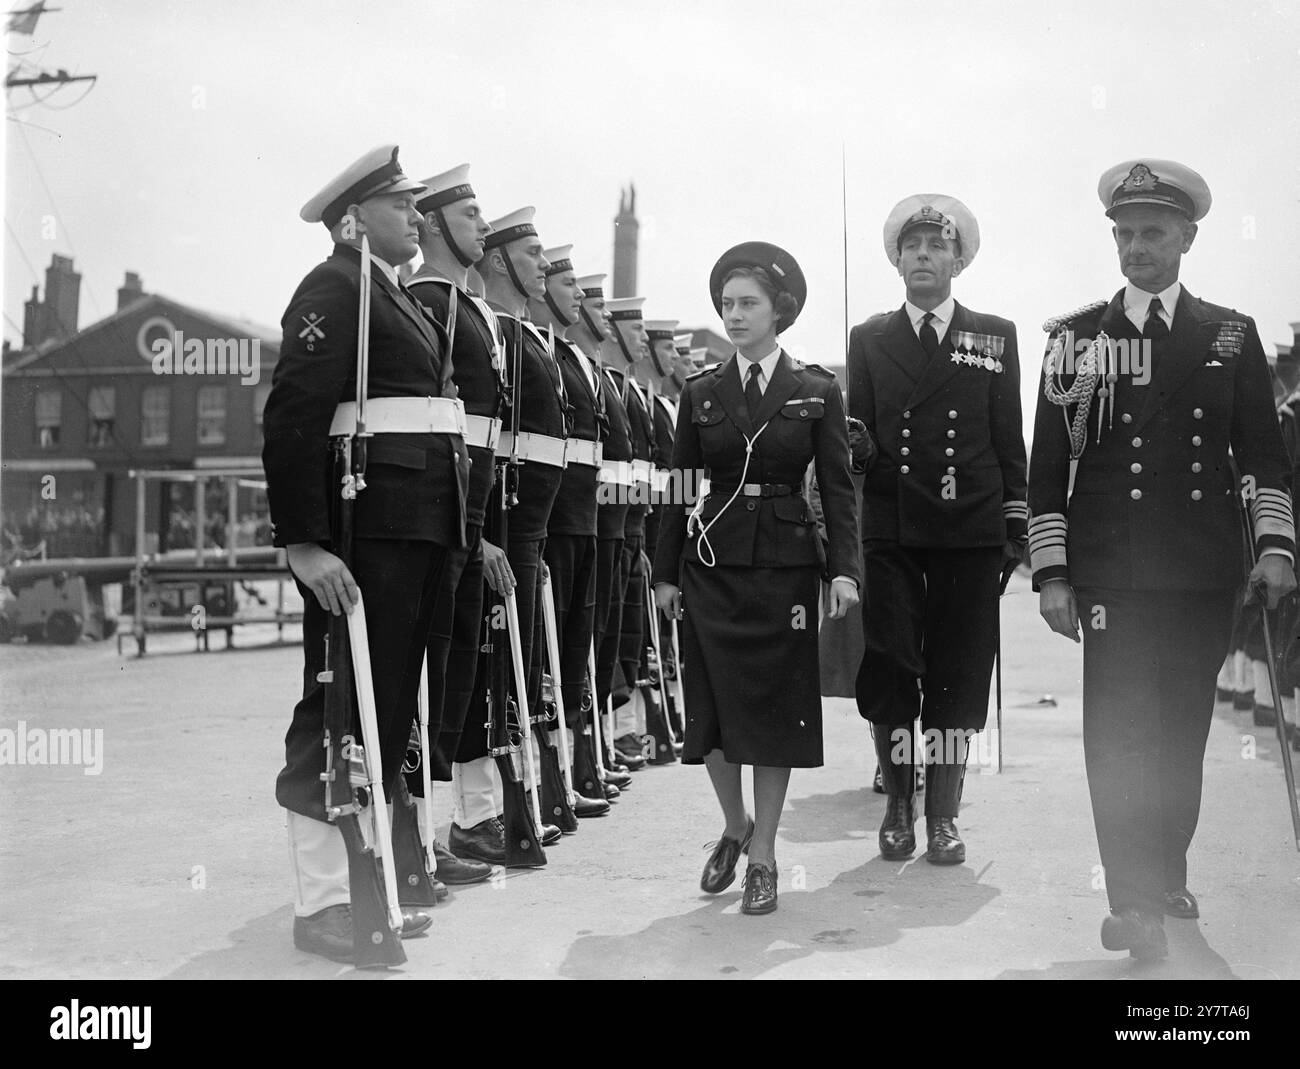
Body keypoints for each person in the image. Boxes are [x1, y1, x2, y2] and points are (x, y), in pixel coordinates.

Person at [1028, 158, 1297, 960]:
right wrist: (1052, 572)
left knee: (1179, 732)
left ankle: (1167, 869)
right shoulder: (1075, 339)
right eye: (1125, 232)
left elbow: (1260, 453)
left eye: (1152, 232)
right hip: (1110, 572)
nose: (1136, 246)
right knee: (1118, 734)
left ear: (1187, 236)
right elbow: (1047, 468)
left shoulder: (1230, 336)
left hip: (1201, 571)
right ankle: (1133, 898)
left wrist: (1276, 545)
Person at [264, 144, 469, 962]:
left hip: (413, 529)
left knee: (380, 714)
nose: (417, 217)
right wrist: (304, 543)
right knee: (335, 711)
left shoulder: (393, 295)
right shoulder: (334, 288)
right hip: (365, 535)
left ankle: (367, 887)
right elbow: (292, 416)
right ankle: (319, 905)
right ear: (354, 219)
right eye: (401, 206)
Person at [652, 242, 860, 915]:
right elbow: (678, 485)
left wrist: (844, 572)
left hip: (784, 570)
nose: (733, 315)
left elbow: (838, 488)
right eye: (727, 304)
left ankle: (764, 852)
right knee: (711, 712)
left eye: (747, 304)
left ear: (780, 311)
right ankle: (734, 823)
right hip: (709, 567)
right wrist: (663, 573)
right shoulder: (701, 392)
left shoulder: (816, 390)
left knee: (775, 712)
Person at [848, 195, 1027, 866]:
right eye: (911, 246)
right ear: (897, 260)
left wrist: (1014, 526)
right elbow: (857, 439)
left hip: (970, 527)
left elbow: (1009, 440)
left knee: (958, 674)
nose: (923, 255)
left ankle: (943, 815)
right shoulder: (869, 338)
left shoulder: (994, 334)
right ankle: (898, 803)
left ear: (958, 259)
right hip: (894, 525)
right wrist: (854, 442)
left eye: (935, 246)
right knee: (893, 665)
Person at [405, 162, 510, 881]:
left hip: (474, 506)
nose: (482, 225)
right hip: (439, 506)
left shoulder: (466, 304)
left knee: (461, 668)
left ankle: (450, 829)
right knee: (428, 669)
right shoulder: (426, 301)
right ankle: (417, 839)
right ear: (435, 222)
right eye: (470, 213)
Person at [528, 244, 612, 819]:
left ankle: (572, 765)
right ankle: (545, 778)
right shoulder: (542, 350)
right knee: (548, 654)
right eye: (570, 285)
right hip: (552, 520)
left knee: (579, 646)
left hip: (590, 519)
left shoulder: (576, 362)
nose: (581, 298)